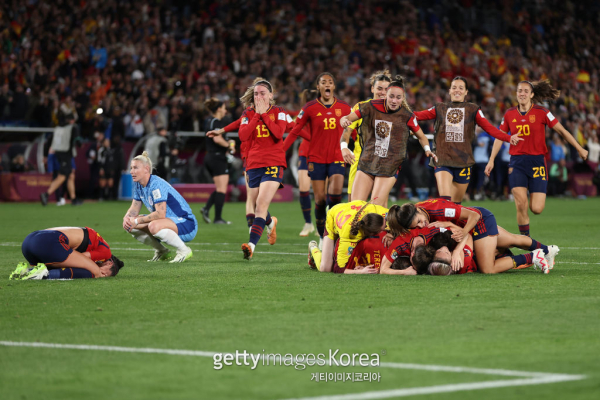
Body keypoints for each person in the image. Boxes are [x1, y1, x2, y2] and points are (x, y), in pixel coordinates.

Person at [485, 80, 588, 236]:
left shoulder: (542, 112)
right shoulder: (509, 114)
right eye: (520, 91)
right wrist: (491, 159)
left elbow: (562, 131)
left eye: (526, 91)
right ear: (516, 94)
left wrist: (579, 148)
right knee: (520, 204)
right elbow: (500, 137)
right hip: (517, 162)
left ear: (532, 94)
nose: (522, 93)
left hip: (537, 162)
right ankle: (526, 242)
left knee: (537, 209)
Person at [413, 76, 522, 204]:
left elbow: (490, 129)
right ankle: (442, 222)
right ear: (449, 91)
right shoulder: (439, 108)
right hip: (442, 159)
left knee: (456, 205)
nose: (457, 90)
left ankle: (451, 223)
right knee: (446, 201)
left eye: (461, 88)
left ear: (466, 92)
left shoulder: (473, 110)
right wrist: (398, 112)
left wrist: (509, 138)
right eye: (454, 87)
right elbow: (417, 116)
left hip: (463, 161)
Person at [388, 199, 559, 274]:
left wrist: (460, 241)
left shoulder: (438, 209)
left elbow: (473, 216)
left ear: (417, 210)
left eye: (419, 221)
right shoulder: (415, 212)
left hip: (478, 221)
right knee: (513, 239)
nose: (421, 225)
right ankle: (547, 251)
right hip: (471, 223)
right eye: (416, 226)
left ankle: (534, 256)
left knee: (488, 269)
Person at [340, 76, 437, 207]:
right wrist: (343, 122)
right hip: (366, 161)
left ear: (403, 98)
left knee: (375, 208)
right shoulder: (368, 106)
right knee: (354, 207)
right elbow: (347, 120)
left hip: (389, 165)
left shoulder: (406, 115)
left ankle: (383, 224)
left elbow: (421, 136)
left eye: (398, 97)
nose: (394, 100)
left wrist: (427, 150)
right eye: (391, 96)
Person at [286, 73, 352, 247]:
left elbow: (354, 127)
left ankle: (334, 233)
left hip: (337, 156)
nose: (327, 85)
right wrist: (281, 151)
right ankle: (323, 236)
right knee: (320, 199)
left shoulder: (345, 108)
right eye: (323, 82)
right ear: (319, 87)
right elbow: (294, 129)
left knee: (336, 194)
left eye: (330, 82)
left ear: (334, 87)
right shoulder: (309, 108)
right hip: (316, 158)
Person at [237, 79, 287, 260]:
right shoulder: (247, 114)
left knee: (260, 205)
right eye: (256, 93)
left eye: (263, 93)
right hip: (253, 164)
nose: (259, 96)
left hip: (273, 163)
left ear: (271, 95)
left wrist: (263, 115)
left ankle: (251, 246)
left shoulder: (279, 112)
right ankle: (270, 222)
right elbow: (243, 136)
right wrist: (257, 115)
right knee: (258, 204)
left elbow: (278, 133)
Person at [122, 151, 198, 263]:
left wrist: (137, 220)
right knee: (130, 225)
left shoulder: (156, 184)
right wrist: (127, 218)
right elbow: (134, 208)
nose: (132, 171)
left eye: (135, 168)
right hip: (167, 221)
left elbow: (160, 214)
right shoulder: (139, 185)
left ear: (146, 169)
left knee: (152, 225)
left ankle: (184, 250)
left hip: (186, 223)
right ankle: (162, 251)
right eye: (131, 168)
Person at [340, 70, 392, 202]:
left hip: (383, 162)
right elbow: (346, 131)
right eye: (379, 88)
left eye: (386, 89)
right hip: (360, 161)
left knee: (380, 207)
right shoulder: (361, 107)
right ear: (372, 88)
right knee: (354, 206)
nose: (383, 92)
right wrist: (344, 147)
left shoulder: (394, 110)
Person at [10, 226, 123, 280]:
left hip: (29, 241)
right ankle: (41, 276)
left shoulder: (96, 239)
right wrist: (98, 272)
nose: (104, 276)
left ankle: (25, 271)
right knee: (94, 272)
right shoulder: (106, 253)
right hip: (48, 242)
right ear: (109, 263)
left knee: (67, 260)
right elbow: (80, 259)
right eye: (106, 274)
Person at [307, 200, 388, 273]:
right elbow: (338, 269)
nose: (386, 228)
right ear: (372, 233)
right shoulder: (350, 236)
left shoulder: (379, 212)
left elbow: (398, 216)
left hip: (351, 210)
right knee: (325, 268)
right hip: (333, 216)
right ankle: (313, 248)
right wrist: (361, 272)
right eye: (383, 229)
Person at [200, 98, 235, 225]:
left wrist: (229, 142)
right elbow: (217, 139)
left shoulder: (210, 121)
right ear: (219, 108)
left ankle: (206, 208)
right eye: (224, 107)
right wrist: (229, 146)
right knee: (222, 189)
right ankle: (218, 218)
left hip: (211, 156)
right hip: (217, 157)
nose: (225, 110)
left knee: (220, 188)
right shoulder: (216, 121)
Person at [40, 112, 83, 206]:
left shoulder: (58, 129)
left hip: (60, 153)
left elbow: (48, 142)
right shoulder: (72, 127)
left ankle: (73, 198)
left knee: (71, 175)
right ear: (72, 120)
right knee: (62, 176)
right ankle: (46, 194)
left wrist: (45, 155)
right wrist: (79, 143)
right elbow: (77, 139)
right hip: (65, 154)